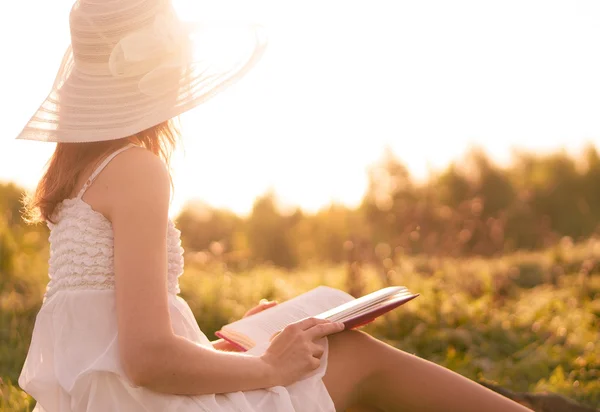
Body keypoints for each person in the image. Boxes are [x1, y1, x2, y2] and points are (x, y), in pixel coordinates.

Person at [16, 0, 533, 411]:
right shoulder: (136, 169)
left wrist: (249, 343)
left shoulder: (82, 174)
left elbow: (112, 357)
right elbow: (147, 361)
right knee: (353, 357)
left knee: (314, 344)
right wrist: (270, 367)